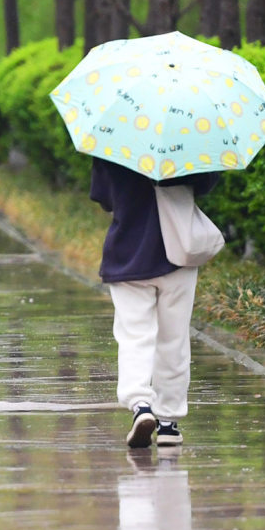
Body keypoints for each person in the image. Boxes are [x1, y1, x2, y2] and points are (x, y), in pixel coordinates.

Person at [90, 157, 220, 449]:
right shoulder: (187, 143)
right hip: (178, 254)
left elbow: (103, 197)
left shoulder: (114, 145)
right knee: (174, 339)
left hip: (128, 254)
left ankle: (140, 405)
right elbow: (206, 183)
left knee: (134, 336)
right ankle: (168, 424)